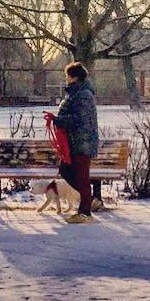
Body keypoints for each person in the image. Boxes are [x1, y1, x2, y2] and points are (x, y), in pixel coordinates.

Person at [53, 61, 100, 223]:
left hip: (82, 142)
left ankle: (85, 212)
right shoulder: (76, 93)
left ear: (75, 77)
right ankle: (89, 200)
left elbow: (80, 118)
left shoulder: (84, 94)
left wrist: (60, 120)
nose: (66, 79)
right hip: (74, 142)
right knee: (66, 170)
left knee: (81, 177)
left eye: (67, 76)